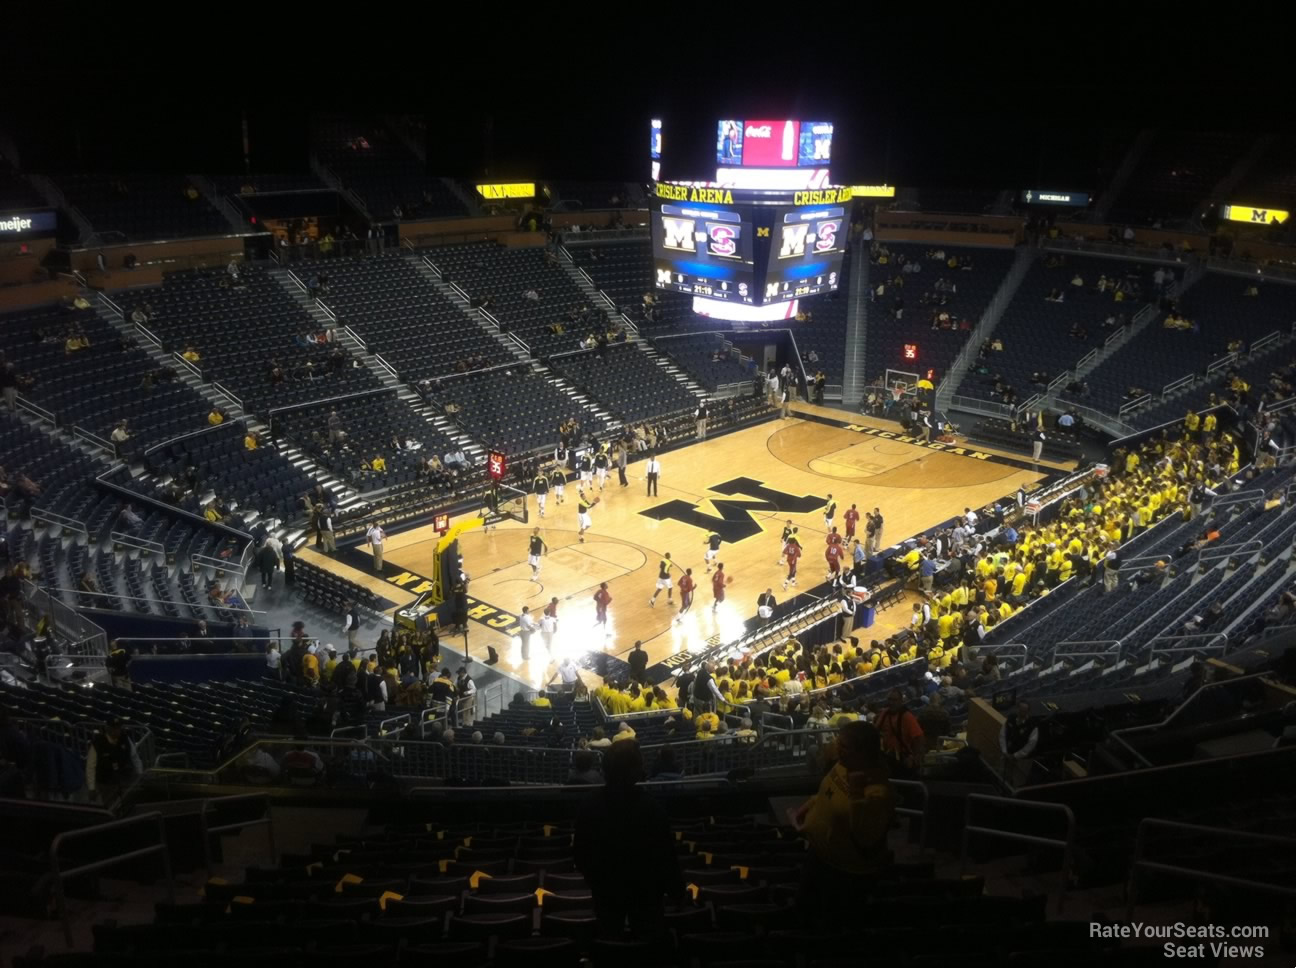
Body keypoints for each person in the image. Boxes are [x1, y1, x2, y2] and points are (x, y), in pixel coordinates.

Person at [574, 739, 683, 939]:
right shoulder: (652, 808)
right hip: (647, 896)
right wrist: (677, 893)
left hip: (606, 893)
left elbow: (580, 856)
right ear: (634, 772)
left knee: (608, 942)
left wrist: (598, 882)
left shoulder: (588, 805)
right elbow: (666, 858)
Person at [793, 722, 896, 922]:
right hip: (819, 857)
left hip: (844, 874)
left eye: (844, 746)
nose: (837, 749)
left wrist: (857, 793)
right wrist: (806, 808)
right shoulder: (843, 765)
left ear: (863, 752)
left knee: (833, 922)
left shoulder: (878, 792)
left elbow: (865, 837)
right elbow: (826, 793)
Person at [85, 720, 142, 805]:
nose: (117, 730)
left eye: (119, 728)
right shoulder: (98, 742)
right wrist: (91, 788)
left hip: (124, 779)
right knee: (111, 805)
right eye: (115, 728)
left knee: (128, 804)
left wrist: (139, 773)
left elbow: (135, 757)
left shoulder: (125, 738)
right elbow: (90, 766)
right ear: (108, 729)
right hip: (106, 782)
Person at [874, 690, 925, 777]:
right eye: (889, 700)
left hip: (903, 759)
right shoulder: (884, 713)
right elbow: (875, 731)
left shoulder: (907, 717)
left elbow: (919, 737)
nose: (891, 703)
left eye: (895, 700)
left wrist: (915, 758)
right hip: (888, 757)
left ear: (901, 701)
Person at [999, 701, 1039, 784]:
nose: (1022, 712)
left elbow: (1031, 745)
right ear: (1017, 709)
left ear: (1028, 712)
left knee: (1016, 779)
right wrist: (1004, 751)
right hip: (1006, 753)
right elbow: (1002, 734)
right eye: (1020, 710)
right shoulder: (1011, 718)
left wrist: (1015, 756)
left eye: (1024, 711)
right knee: (1002, 773)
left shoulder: (1032, 725)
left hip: (1021, 758)